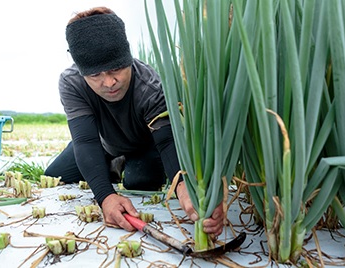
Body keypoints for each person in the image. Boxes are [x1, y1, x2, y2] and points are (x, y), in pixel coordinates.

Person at [45, 6, 223, 236]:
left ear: (127, 57)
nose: (109, 82)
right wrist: (106, 197)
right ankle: (112, 164)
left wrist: (183, 187)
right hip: (103, 144)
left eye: (116, 69)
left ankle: (122, 165)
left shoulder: (150, 86)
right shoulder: (71, 83)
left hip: (144, 145)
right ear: (82, 71)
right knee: (56, 174)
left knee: (140, 181)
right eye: (95, 75)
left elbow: (167, 142)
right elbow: (85, 141)